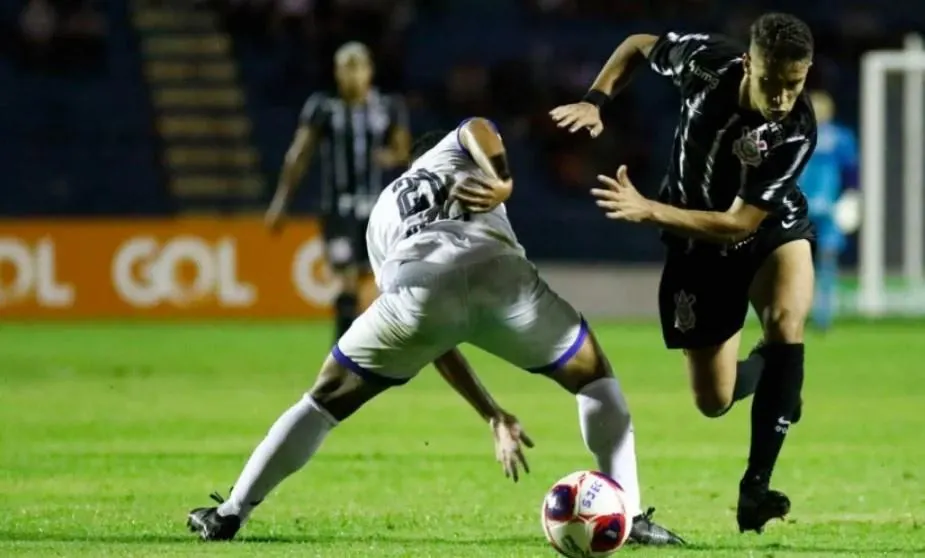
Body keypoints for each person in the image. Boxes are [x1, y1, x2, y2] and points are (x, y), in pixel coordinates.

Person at [188, 117, 684, 546]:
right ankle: (632, 515)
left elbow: (432, 336)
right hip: (498, 276)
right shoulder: (452, 150)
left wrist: (491, 413)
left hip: (416, 290)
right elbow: (477, 126)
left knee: (321, 402)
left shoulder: (383, 209)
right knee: (594, 378)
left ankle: (231, 512)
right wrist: (504, 182)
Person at [550, 12, 816, 534]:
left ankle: (755, 490)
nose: (783, 97)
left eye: (795, 84)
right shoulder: (706, 64)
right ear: (747, 64)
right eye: (771, 82)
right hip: (697, 248)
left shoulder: (796, 130)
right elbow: (635, 43)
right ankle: (774, 374)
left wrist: (650, 209)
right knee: (713, 400)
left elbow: (740, 222)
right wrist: (595, 100)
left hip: (766, 229)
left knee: (787, 321)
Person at [266, 41, 411, 343]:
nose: (351, 75)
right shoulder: (324, 108)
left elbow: (403, 150)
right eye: (346, 68)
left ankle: (358, 351)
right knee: (346, 281)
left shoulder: (388, 107)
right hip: (338, 209)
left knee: (368, 283)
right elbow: (299, 155)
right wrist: (281, 202)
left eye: (357, 67)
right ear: (336, 73)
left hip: (378, 212)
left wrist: (391, 156)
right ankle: (345, 355)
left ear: (369, 71)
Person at [800, 90, 858, 332]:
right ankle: (816, 315)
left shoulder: (797, 135)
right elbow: (853, 174)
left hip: (814, 209)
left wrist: (851, 197)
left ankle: (819, 316)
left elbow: (852, 174)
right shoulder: (839, 137)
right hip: (817, 208)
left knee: (817, 263)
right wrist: (852, 196)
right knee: (820, 263)